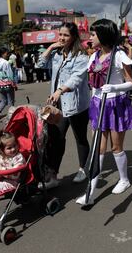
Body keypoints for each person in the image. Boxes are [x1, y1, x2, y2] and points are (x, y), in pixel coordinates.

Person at [76, 19, 132, 206]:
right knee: (98, 147)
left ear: (103, 36)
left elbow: (131, 83)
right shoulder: (93, 56)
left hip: (116, 104)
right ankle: (91, 191)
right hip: (98, 104)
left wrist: (114, 87)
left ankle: (124, 179)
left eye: (93, 34)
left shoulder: (119, 55)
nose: (90, 37)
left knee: (116, 147)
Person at [37, 22, 91, 187]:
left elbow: (76, 78)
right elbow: (40, 64)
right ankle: (52, 176)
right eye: (60, 34)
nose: (62, 38)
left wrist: (60, 90)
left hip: (76, 104)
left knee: (80, 138)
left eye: (66, 35)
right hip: (57, 105)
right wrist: (51, 47)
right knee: (55, 138)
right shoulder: (57, 54)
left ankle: (83, 168)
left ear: (73, 37)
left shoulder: (81, 56)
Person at [0, 48, 15, 120]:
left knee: (3, 100)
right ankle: (11, 116)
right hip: (7, 84)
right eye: (7, 53)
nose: (8, 55)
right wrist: (13, 83)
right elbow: (10, 74)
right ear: (3, 54)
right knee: (10, 101)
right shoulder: (6, 62)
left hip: (0, 84)